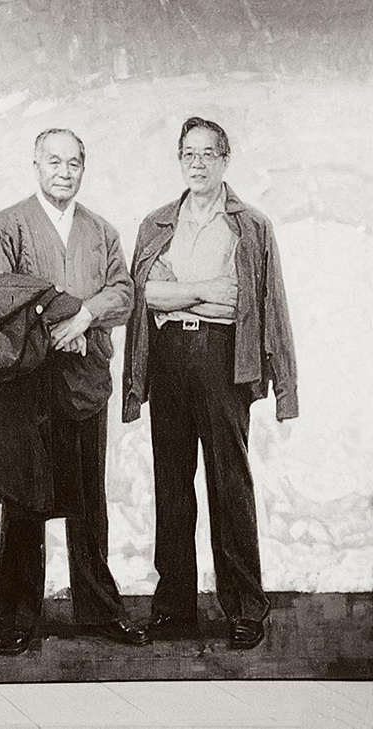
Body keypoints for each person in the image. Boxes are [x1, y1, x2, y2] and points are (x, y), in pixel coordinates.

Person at [122, 117, 298, 650]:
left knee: (229, 485)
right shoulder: (157, 223)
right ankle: (174, 609)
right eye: (188, 154)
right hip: (169, 359)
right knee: (172, 486)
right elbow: (145, 295)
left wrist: (286, 388)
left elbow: (255, 303)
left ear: (225, 160)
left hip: (222, 359)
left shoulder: (252, 226)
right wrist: (206, 291)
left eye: (207, 154)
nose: (197, 164)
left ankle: (245, 609)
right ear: (180, 160)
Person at [0, 129, 148, 656]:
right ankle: (16, 619)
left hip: (84, 384)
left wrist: (87, 316)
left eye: (74, 163)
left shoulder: (101, 231)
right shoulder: (7, 225)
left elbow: (124, 293)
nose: (64, 172)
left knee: (88, 503)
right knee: (23, 502)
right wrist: (59, 322)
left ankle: (98, 611)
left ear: (83, 169)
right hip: (26, 383)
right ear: (36, 165)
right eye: (54, 162)